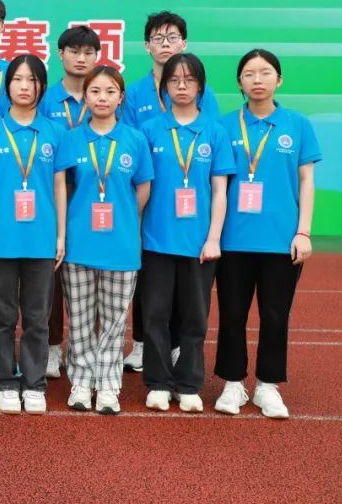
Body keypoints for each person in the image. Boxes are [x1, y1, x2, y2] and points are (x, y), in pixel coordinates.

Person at [213, 49, 320, 419]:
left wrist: (303, 231)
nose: (257, 79)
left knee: (275, 315)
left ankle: (267, 386)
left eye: (265, 72)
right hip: (232, 240)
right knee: (232, 314)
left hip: (281, 239)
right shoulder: (224, 126)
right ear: (239, 82)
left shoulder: (298, 124)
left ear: (279, 79)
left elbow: (306, 181)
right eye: (249, 73)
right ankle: (232, 383)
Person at [123, 11, 221, 373]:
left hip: (191, 204)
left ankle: (178, 345)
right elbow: (130, 142)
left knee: (186, 284)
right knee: (147, 279)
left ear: (184, 43)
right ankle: (142, 343)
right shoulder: (135, 92)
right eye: (158, 38)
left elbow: (210, 134)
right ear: (147, 46)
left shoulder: (202, 92)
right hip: (150, 197)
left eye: (172, 37)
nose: (165, 44)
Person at [139, 53, 235, 413]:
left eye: (189, 80)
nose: (182, 86)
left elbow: (220, 190)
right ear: (165, 87)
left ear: (200, 87)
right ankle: (158, 382)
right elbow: (141, 186)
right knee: (155, 315)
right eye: (174, 80)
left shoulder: (215, 132)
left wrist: (213, 238)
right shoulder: (150, 130)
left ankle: (189, 383)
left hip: (198, 243)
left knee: (195, 317)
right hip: (156, 239)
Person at [0, 54, 66, 414]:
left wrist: (60, 236)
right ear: (7, 85)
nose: (25, 87)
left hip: (41, 238)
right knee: (2, 315)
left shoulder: (54, 132)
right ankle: (6, 380)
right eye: (17, 79)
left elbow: (59, 186)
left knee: (37, 316)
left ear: (42, 86)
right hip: (0, 237)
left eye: (32, 80)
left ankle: (34, 382)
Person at [56, 65, 153, 415]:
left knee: (114, 321)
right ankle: (82, 381)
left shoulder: (135, 140)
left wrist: (124, 216)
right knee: (80, 318)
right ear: (85, 96)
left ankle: (109, 384)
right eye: (95, 91)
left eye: (110, 91)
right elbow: (65, 188)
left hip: (121, 245)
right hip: (79, 244)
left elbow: (142, 188)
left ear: (120, 97)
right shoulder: (71, 139)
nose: (102, 98)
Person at [38, 24, 100, 380]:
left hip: (93, 201)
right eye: (74, 51)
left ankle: (83, 347)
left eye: (88, 52)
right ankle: (50, 347)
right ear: (60, 54)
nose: (81, 58)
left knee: (91, 277)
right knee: (50, 277)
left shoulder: (104, 94)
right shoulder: (46, 100)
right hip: (52, 198)